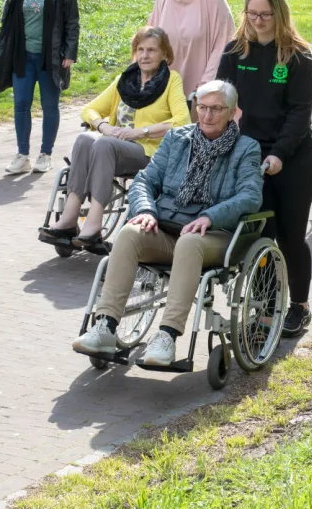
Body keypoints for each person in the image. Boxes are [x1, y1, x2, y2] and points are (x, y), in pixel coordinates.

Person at [72, 80, 263, 367]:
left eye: (216, 109)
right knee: (130, 233)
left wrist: (210, 216)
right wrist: (146, 209)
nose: (207, 115)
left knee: (189, 242)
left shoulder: (246, 148)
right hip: (166, 227)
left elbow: (250, 195)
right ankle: (105, 326)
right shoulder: (177, 139)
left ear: (233, 112)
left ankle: (167, 336)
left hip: (213, 234)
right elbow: (145, 180)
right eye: (202, 107)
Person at [216, 0, 312, 337]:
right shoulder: (235, 52)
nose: (258, 21)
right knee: (261, 235)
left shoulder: (297, 55)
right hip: (251, 155)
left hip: (293, 158)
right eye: (252, 14)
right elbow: (222, 102)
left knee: (290, 237)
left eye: (265, 15)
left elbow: (299, 113)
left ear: (279, 13)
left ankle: (300, 307)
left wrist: (278, 154)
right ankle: (267, 309)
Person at [40, 26, 190, 252]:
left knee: (103, 143)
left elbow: (183, 122)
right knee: (85, 139)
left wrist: (141, 132)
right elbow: (89, 110)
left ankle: (93, 224)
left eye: (151, 50)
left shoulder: (171, 81)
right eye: (140, 49)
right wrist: (103, 126)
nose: (145, 55)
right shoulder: (125, 80)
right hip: (112, 147)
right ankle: (69, 219)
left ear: (164, 55)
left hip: (149, 152)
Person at [0, 0, 80, 175]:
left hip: (49, 57)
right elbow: (8, 21)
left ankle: (45, 154)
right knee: (21, 104)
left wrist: (70, 53)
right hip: (23, 55)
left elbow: (72, 20)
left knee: (50, 105)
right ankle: (22, 155)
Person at [147, 0, 234, 98]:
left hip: (199, 91)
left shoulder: (214, 3)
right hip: (163, 85)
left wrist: (205, 84)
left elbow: (223, 46)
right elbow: (149, 38)